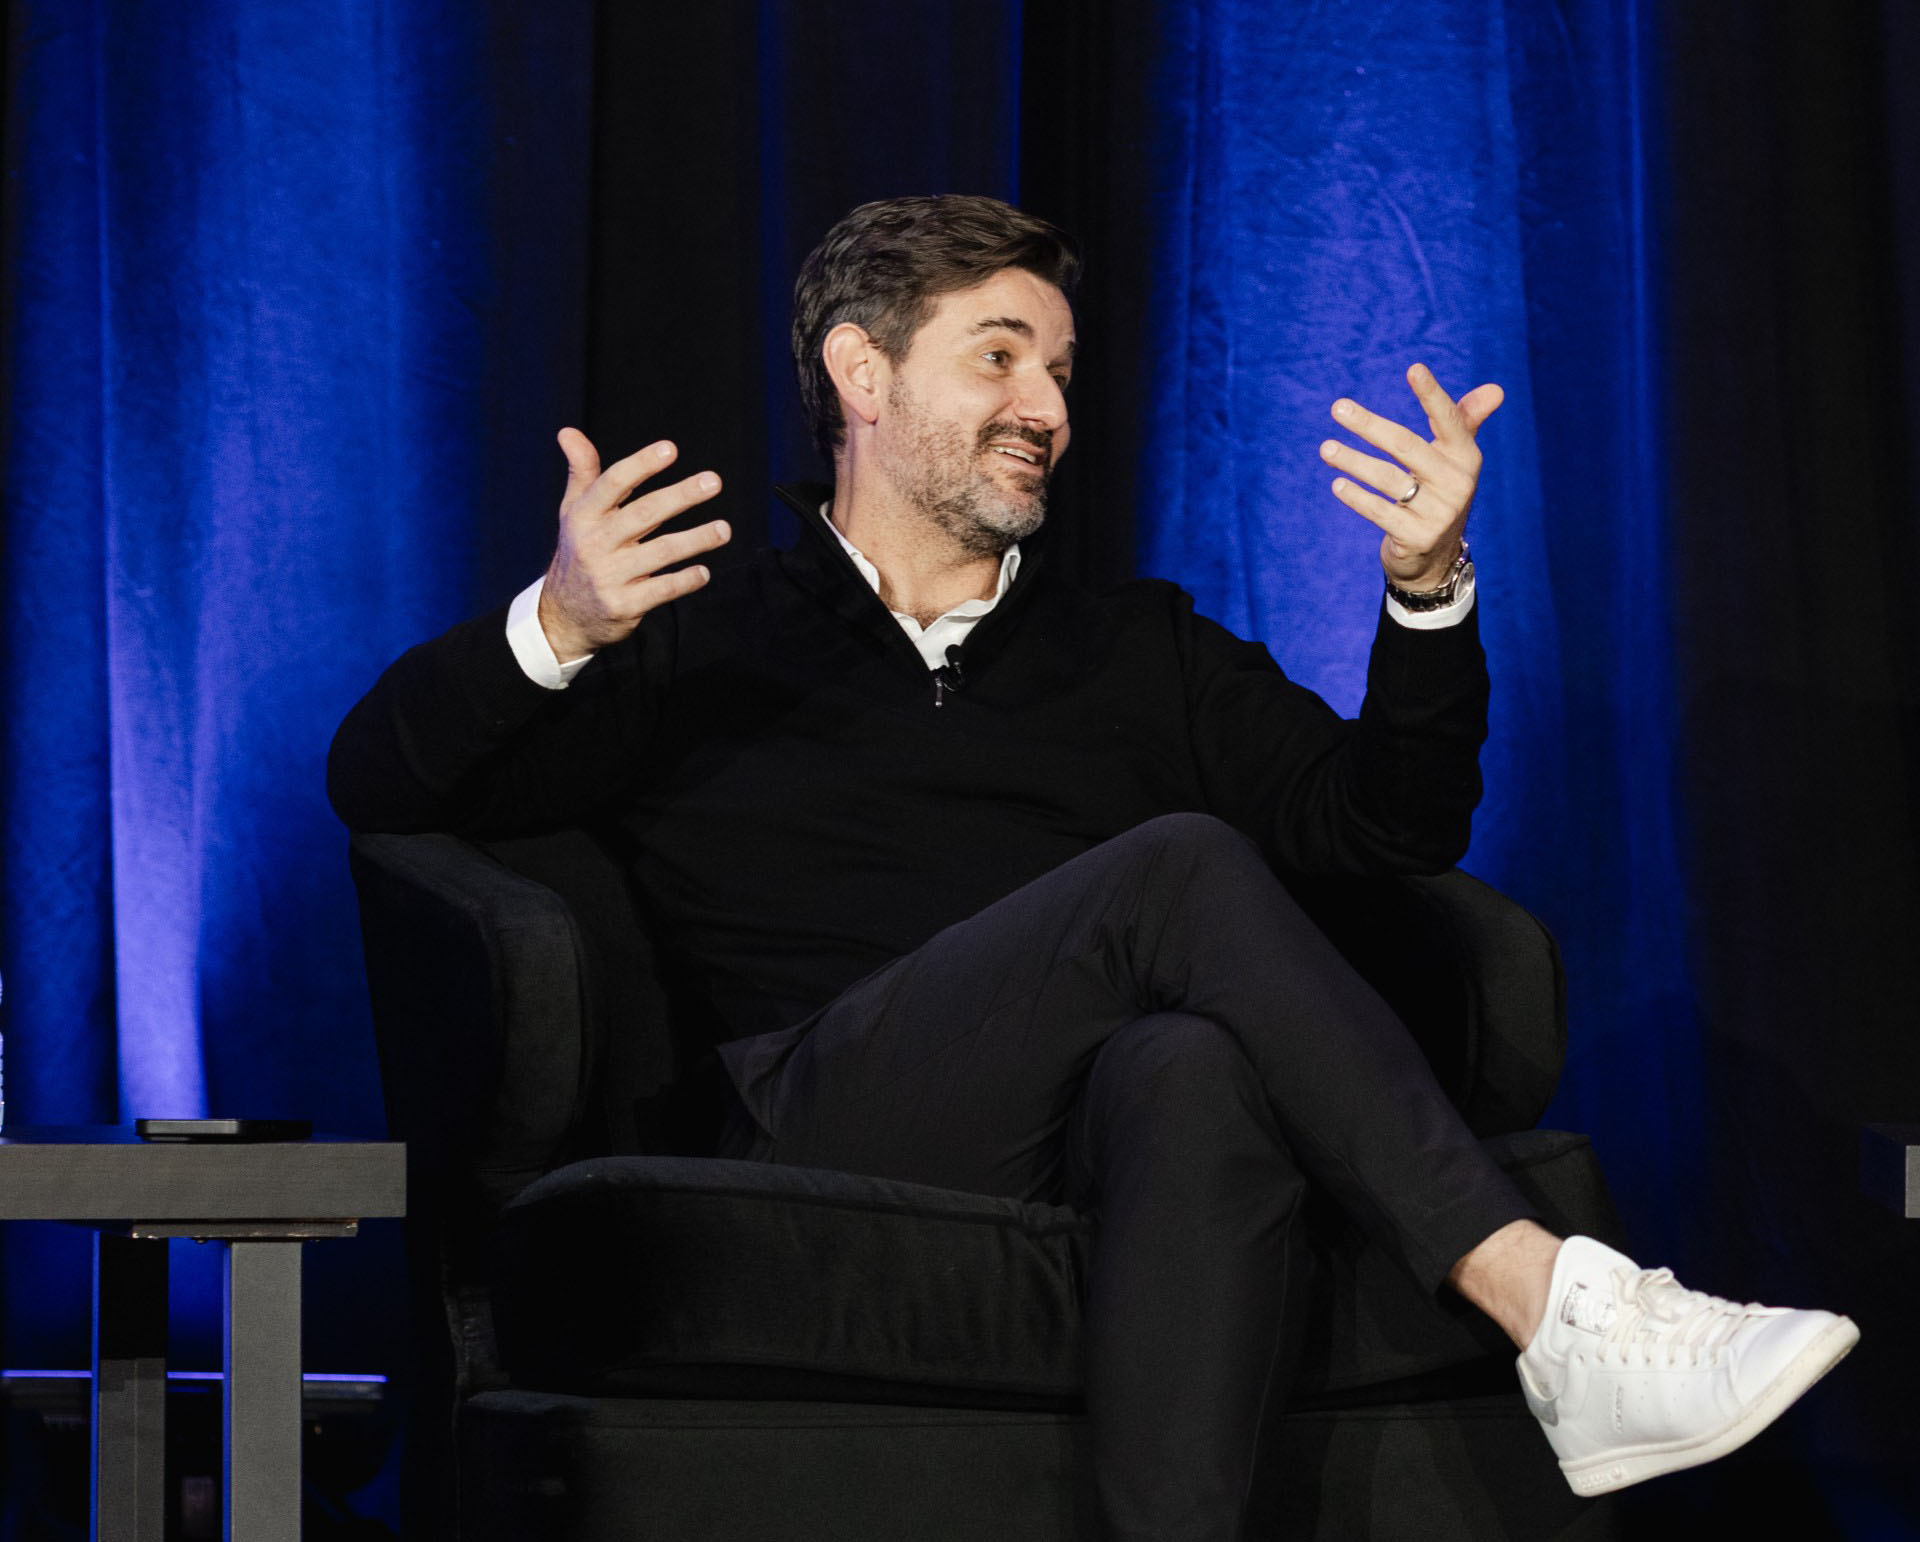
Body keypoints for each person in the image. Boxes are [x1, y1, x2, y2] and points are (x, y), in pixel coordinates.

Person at [330, 194, 1857, 1537]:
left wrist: (1428, 592)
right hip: (821, 1109)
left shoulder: (1141, 645)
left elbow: (1382, 828)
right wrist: (558, 626)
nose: (1045, 402)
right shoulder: (708, 633)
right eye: (998, 354)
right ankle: (1553, 1301)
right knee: (1180, 873)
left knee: (1192, 1063)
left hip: (1078, 1129)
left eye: (1058, 369)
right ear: (863, 376)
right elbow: (379, 781)